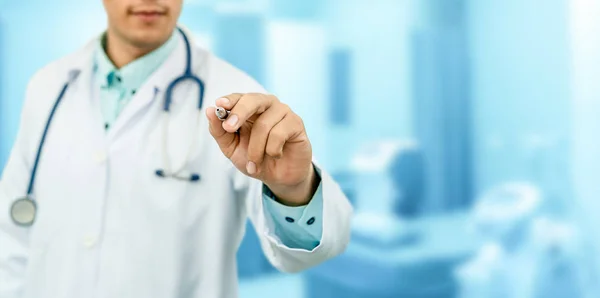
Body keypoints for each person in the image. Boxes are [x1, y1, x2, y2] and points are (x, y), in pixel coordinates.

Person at [0, 1, 353, 297]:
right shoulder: (49, 86)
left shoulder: (234, 96)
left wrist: (293, 189)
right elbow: (13, 232)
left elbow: (303, 255)